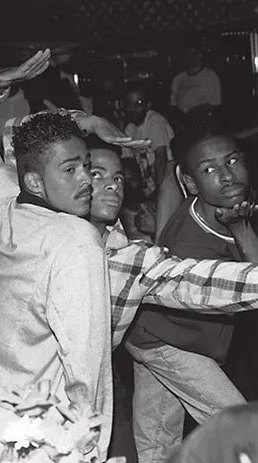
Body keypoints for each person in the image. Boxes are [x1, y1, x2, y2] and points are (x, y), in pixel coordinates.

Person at [0, 110, 114, 462]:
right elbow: (88, 359)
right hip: (13, 426)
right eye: (70, 170)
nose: (87, 179)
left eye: (87, 166)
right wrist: (90, 443)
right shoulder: (76, 241)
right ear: (35, 183)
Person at [126, 124, 258, 463]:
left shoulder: (225, 205)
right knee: (237, 423)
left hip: (154, 334)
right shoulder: (194, 237)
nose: (227, 176)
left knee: (158, 436)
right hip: (166, 341)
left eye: (232, 161)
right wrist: (242, 230)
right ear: (191, 183)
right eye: (209, 169)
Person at [121, 83, 174, 202]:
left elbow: (161, 158)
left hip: (167, 182)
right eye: (129, 104)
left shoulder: (155, 122)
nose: (133, 108)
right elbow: (128, 163)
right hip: (148, 184)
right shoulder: (130, 129)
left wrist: (159, 191)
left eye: (138, 103)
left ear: (148, 105)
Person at [170, 46, 221, 121]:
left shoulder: (210, 76)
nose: (190, 57)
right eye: (188, 54)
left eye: (193, 54)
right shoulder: (178, 78)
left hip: (203, 120)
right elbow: (173, 104)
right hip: (182, 121)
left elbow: (215, 104)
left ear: (200, 55)